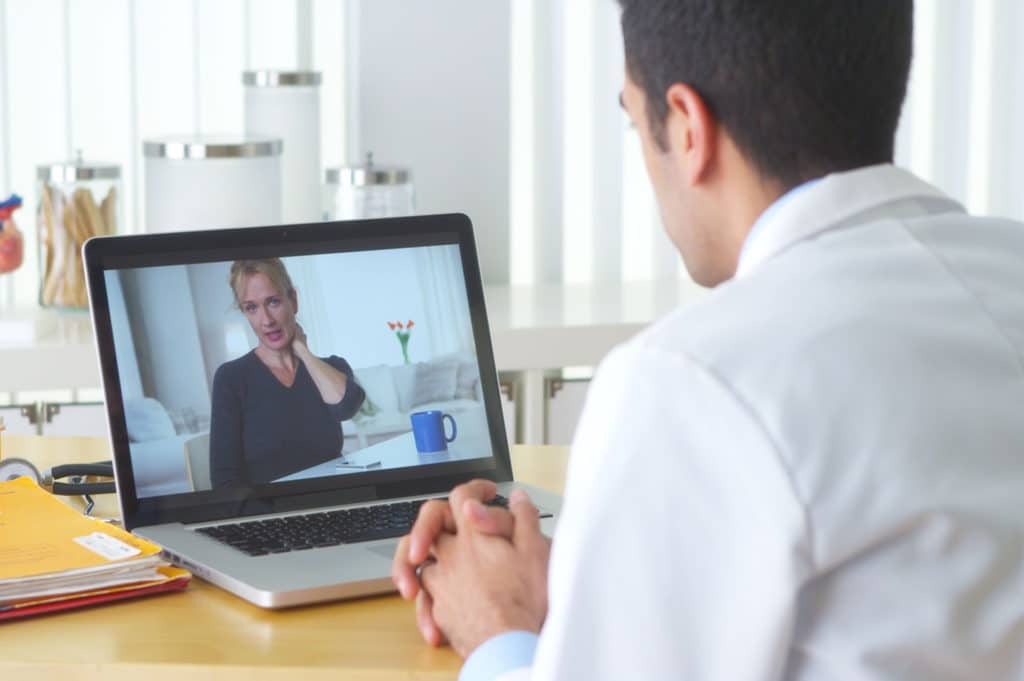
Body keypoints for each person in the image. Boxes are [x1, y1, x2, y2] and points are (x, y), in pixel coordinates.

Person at [392, 1, 1024, 679]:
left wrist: (500, 630)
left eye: (634, 121)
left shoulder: (693, 379)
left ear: (688, 128)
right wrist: (587, 590)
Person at [210, 258, 365, 488]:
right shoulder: (231, 378)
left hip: (334, 500)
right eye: (251, 308)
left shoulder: (332, 366)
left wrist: (302, 350)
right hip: (271, 512)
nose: (266, 321)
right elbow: (225, 481)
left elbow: (346, 406)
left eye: (273, 302)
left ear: (293, 300)